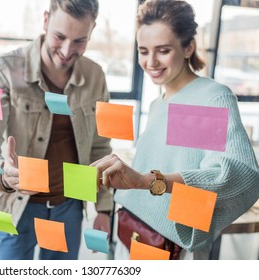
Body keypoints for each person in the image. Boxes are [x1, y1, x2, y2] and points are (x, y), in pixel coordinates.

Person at [91, 0, 259, 260]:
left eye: (163, 50)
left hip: (174, 245)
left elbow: (235, 176)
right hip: (134, 230)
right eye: (143, 51)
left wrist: (147, 181)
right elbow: (176, 161)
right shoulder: (158, 103)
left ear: (188, 47)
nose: (151, 62)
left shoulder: (211, 97)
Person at [0, 0, 113, 260]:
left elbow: (99, 148)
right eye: (60, 36)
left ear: (92, 32)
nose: (68, 50)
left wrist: (103, 208)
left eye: (80, 40)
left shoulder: (96, 77)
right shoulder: (0, 69)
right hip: (11, 207)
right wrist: (3, 173)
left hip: (68, 208)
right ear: (46, 20)